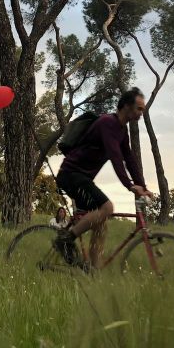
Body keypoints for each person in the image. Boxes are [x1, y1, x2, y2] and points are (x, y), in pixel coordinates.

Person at [54, 87, 155, 268]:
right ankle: (65, 240)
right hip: (71, 175)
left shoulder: (121, 130)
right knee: (107, 208)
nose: (142, 113)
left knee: (101, 223)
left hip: (82, 178)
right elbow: (115, 155)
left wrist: (143, 187)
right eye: (139, 108)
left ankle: (93, 271)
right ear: (126, 106)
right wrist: (129, 185)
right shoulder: (107, 123)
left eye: (143, 109)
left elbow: (129, 159)